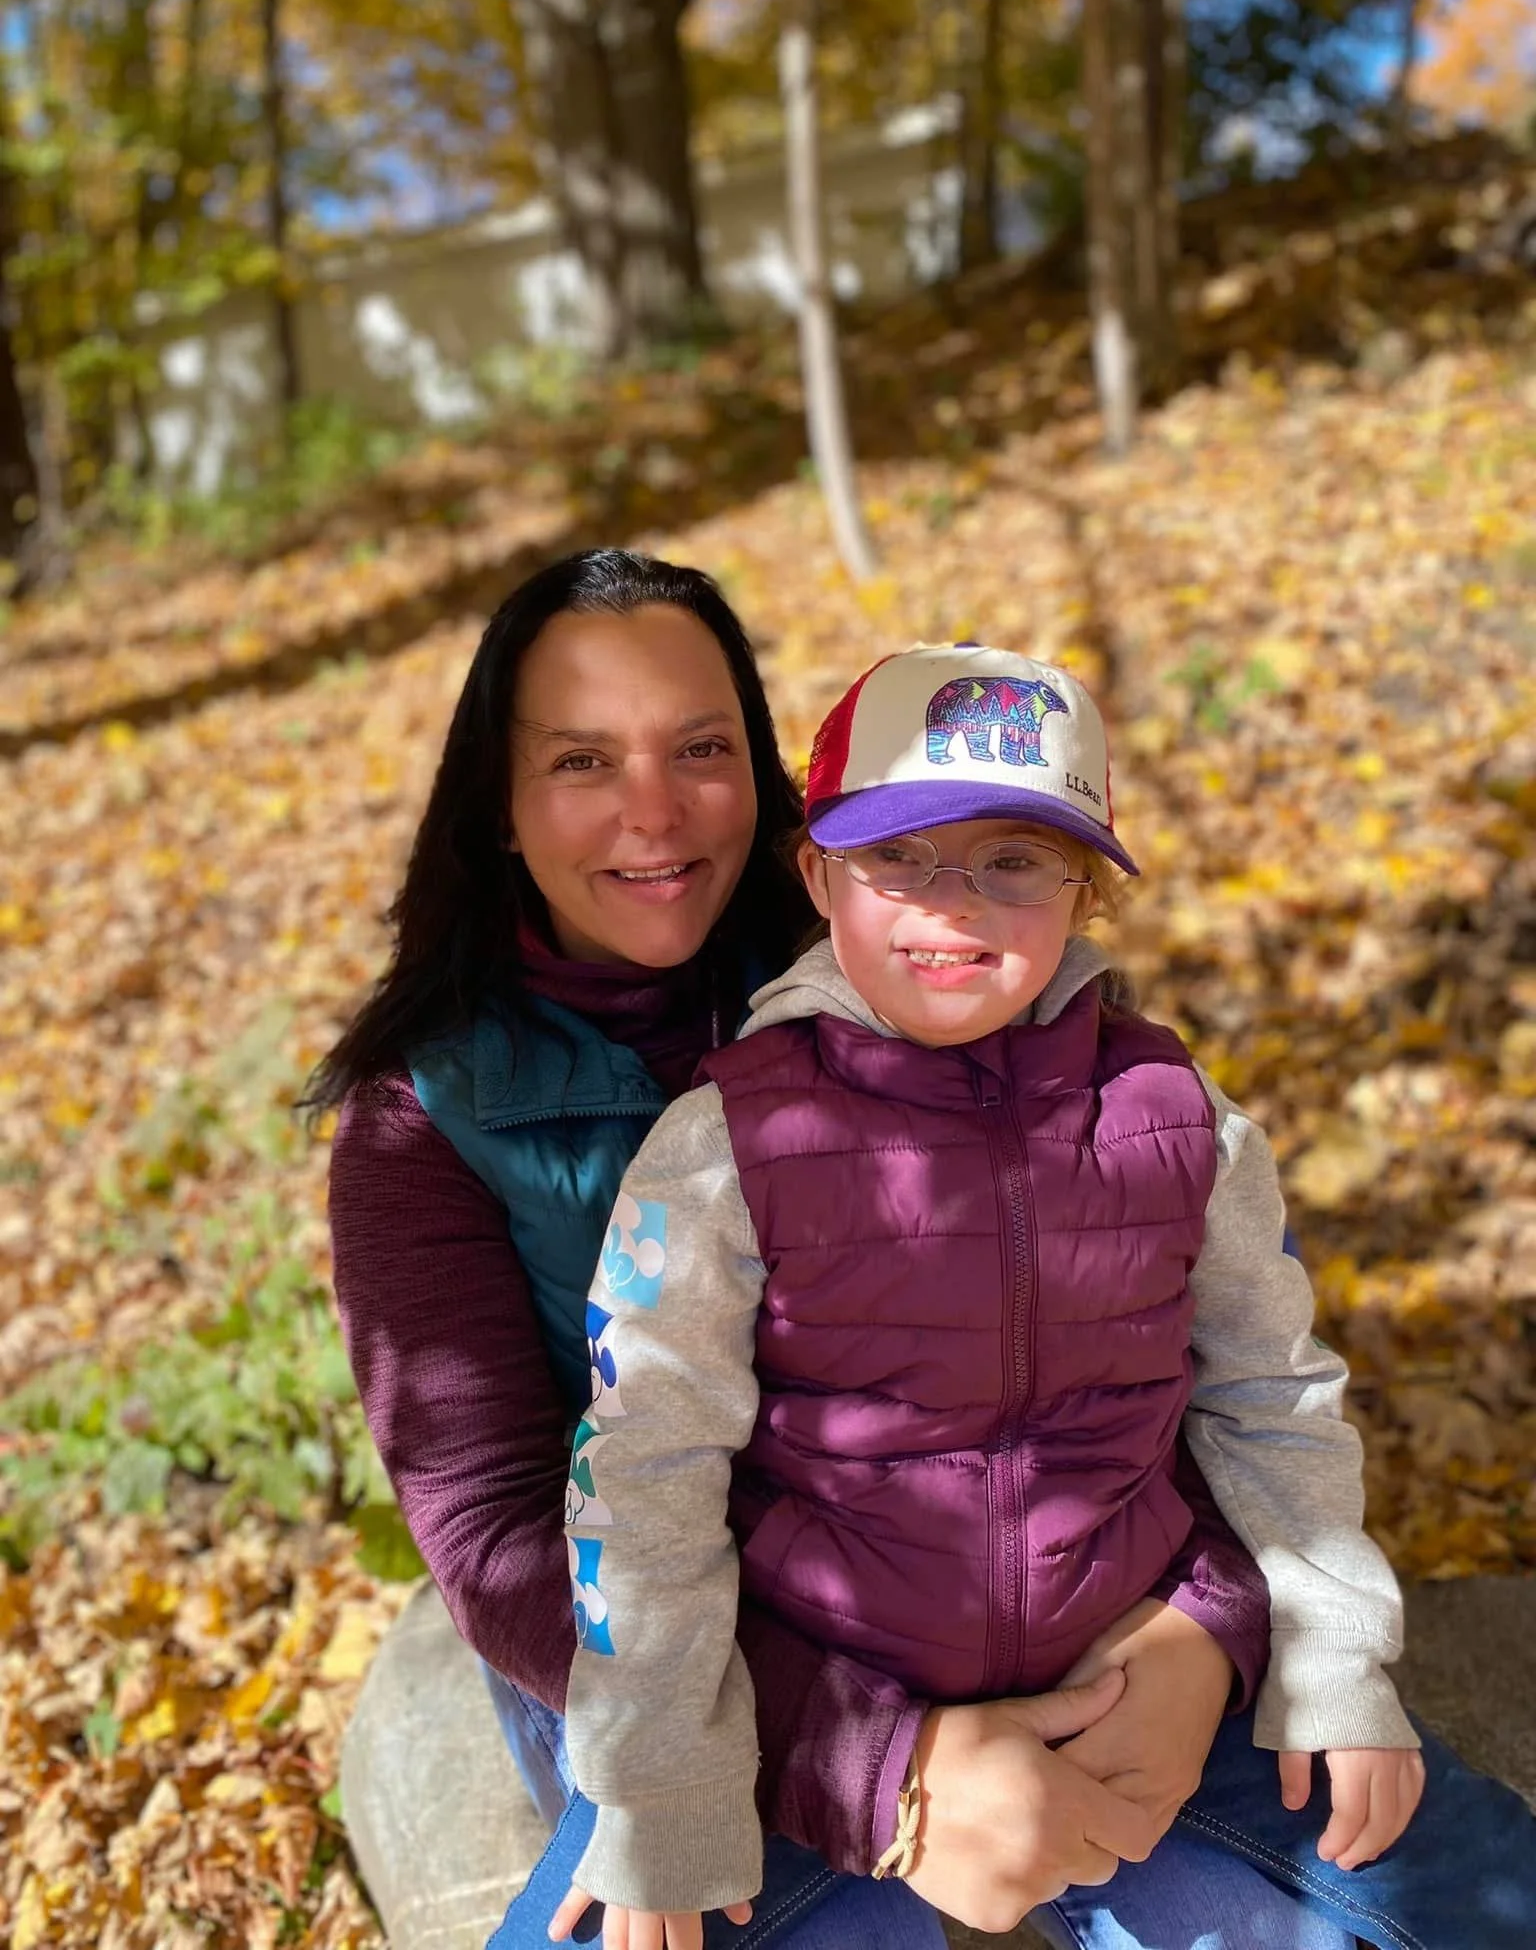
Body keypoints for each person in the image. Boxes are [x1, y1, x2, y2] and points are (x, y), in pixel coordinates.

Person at [317, 553, 1357, 1950]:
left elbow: (1167, 1346)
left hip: (1060, 1606)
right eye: (579, 760)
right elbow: (497, 1534)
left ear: (773, 783)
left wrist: (1207, 1631)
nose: (651, 810)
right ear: (497, 808)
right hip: (676, 1669)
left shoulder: (922, 945)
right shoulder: (422, 1120)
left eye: (701, 749)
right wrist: (880, 1765)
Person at [532, 642, 1536, 1950]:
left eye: (1015, 862)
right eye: (901, 857)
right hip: (818, 1716)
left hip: (1135, 1682)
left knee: (1483, 1896)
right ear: (821, 873)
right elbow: (647, 1472)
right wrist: (660, 1783)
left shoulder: (1183, 1126)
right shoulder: (725, 1150)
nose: (954, 910)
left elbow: (1271, 1398)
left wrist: (1333, 1658)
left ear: (1086, 895)